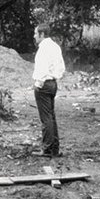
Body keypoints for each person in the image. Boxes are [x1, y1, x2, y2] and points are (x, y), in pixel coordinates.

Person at [32, 22, 65, 157]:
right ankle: (55, 148)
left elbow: (42, 68)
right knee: (51, 117)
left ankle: (47, 149)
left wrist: (38, 84)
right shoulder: (55, 47)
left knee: (45, 118)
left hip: (44, 84)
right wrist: (56, 78)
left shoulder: (43, 49)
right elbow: (61, 67)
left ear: (42, 34)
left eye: (35, 33)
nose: (34, 36)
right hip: (53, 83)